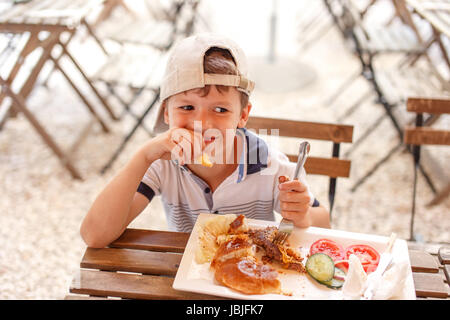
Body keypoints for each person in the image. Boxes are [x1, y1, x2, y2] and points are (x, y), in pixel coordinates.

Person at [80, 34, 330, 248]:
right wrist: (144, 155)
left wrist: (303, 215)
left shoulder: (270, 165)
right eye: (187, 107)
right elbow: (95, 235)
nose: (203, 123)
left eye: (220, 110)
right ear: (167, 113)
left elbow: (324, 222)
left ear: (242, 115)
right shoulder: (161, 163)